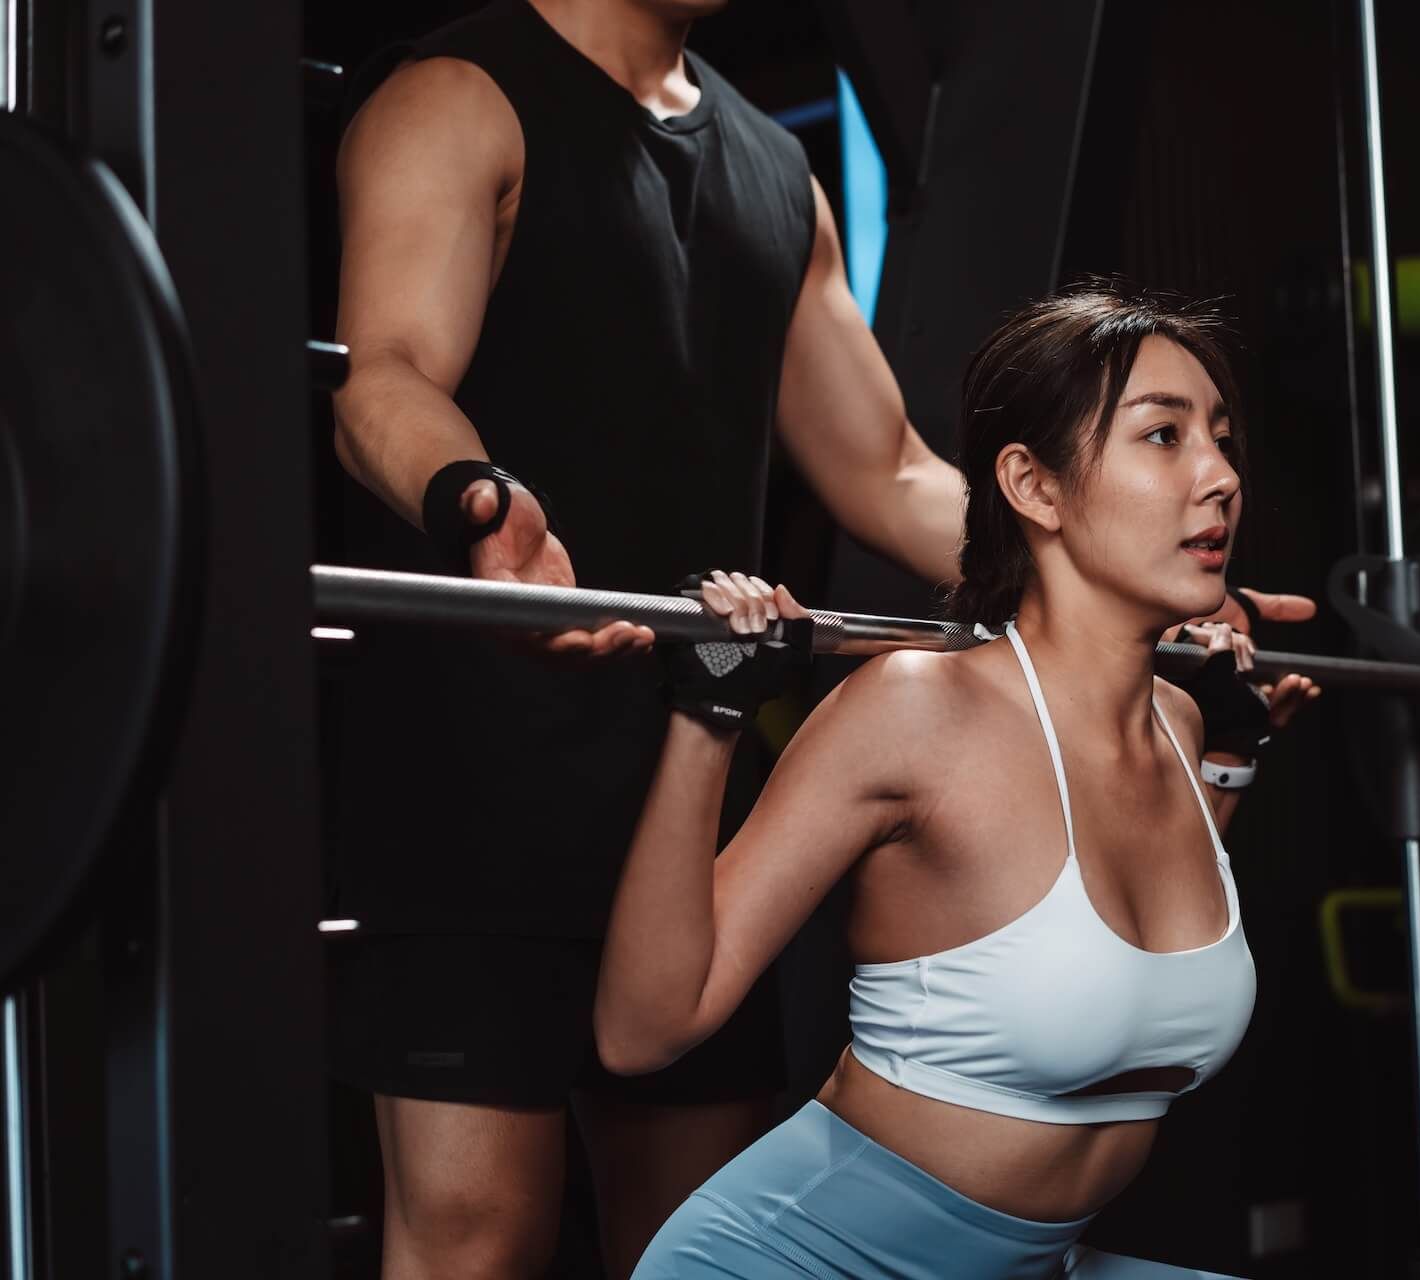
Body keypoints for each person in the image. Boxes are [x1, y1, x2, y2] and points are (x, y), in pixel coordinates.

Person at [325, 1, 963, 1275]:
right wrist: (482, 505)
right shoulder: (458, 98)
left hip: (684, 803)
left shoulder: (778, 172)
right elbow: (385, 373)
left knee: (695, 1249)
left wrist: (1121, 578)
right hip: (475, 789)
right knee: (476, 1244)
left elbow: (890, 469)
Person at [597, 286, 1307, 1278]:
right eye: (1163, 436)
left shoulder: (1181, 725)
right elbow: (642, 1029)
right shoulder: (914, 708)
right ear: (1034, 485)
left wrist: (1234, 754)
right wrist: (708, 714)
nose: (1221, 475)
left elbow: (1123, 956)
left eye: (1222, 439)